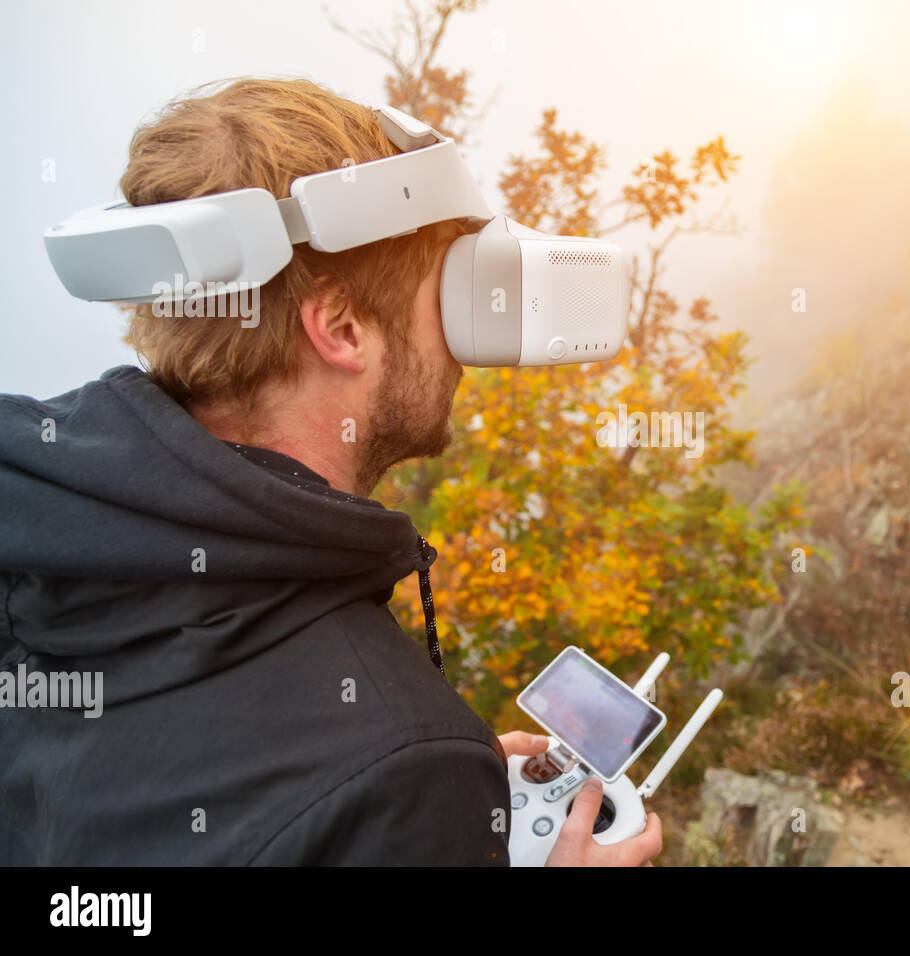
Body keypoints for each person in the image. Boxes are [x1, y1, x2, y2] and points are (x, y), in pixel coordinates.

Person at [0, 77, 661, 866]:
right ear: (342, 328)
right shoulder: (402, 768)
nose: (462, 346)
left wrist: (406, 780)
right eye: (443, 288)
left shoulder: (36, 533)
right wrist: (411, 782)